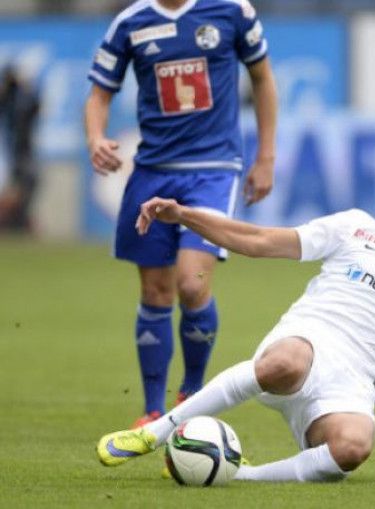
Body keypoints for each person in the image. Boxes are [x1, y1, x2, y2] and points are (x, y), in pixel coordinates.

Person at [96, 163, 375, 482]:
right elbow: (259, 240)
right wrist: (184, 216)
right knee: (286, 363)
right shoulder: (356, 228)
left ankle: (239, 474)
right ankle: (154, 433)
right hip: (307, 341)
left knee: (354, 447)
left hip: (352, 389)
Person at [84, 0, 278, 428]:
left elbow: (262, 77)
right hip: (153, 170)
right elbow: (99, 93)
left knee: (192, 283)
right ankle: (154, 411)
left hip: (212, 170)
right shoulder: (130, 23)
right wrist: (95, 137)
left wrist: (265, 156)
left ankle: (191, 396)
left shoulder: (232, 11)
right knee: (156, 291)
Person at [0, 65, 41, 232]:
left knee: (27, 185)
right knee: (18, 188)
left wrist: (25, 87)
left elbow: (34, 106)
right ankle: (14, 221)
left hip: (22, 152)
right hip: (11, 154)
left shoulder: (23, 103)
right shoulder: (8, 102)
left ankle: (19, 221)